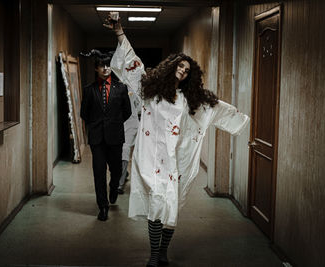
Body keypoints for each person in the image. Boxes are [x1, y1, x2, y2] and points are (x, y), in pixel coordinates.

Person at [104, 12, 250, 267]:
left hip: (174, 162)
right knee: (156, 206)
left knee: (170, 210)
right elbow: (133, 63)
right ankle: (153, 254)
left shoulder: (188, 100)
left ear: (188, 76)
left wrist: (242, 120)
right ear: (171, 66)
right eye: (180, 66)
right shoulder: (149, 90)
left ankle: (163, 253)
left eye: (186, 70)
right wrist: (119, 32)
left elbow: (215, 107)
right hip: (150, 158)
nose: (182, 71)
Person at [80, 50, 131, 221]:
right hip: (97, 139)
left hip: (115, 137)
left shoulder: (121, 88)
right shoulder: (89, 90)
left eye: (108, 65)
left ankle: (114, 185)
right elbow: (84, 113)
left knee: (116, 170)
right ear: (96, 69)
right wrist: (96, 125)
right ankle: (102, 206)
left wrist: (114, 123)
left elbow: (127, 112)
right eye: (102, 66)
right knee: (98, 172)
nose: (105, 68)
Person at [117, 86, 141, 195]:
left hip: (130, 124)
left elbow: (139, 107)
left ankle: (119, 184)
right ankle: (123, 173)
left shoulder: (131, 91)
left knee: (124, 149)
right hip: (114, 125)